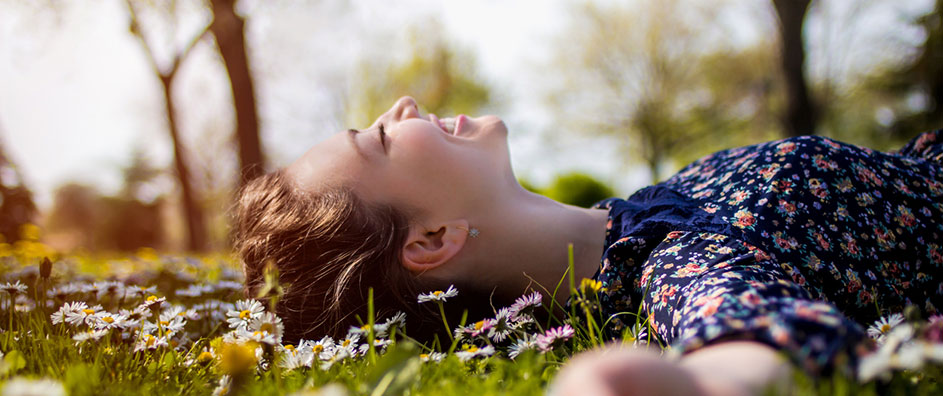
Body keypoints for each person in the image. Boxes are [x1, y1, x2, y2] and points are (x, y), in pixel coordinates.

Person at [233, 96, 943, 395]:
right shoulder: (676, 264)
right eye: (381, 138)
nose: (403, 107)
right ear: (430, 240)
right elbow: (750, 339)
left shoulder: (645, 211)